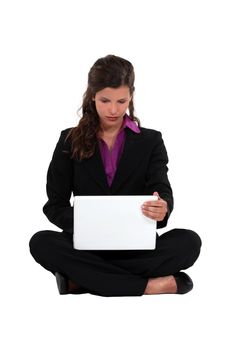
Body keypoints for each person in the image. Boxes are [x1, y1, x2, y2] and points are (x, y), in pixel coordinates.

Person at [29, 54, 202, 297]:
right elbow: (55, 205)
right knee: (41, 242)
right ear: (92, 96)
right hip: (87, 246)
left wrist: (162, 207)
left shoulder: (151, 141)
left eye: (121, 101)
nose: (113, 110)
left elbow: (161, 189)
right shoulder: (69, 140)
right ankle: (152, 285)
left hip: (136, 247)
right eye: (105, 100)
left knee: (189, 242)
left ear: (131, 95)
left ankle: (82, 280)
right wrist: (88, 225)